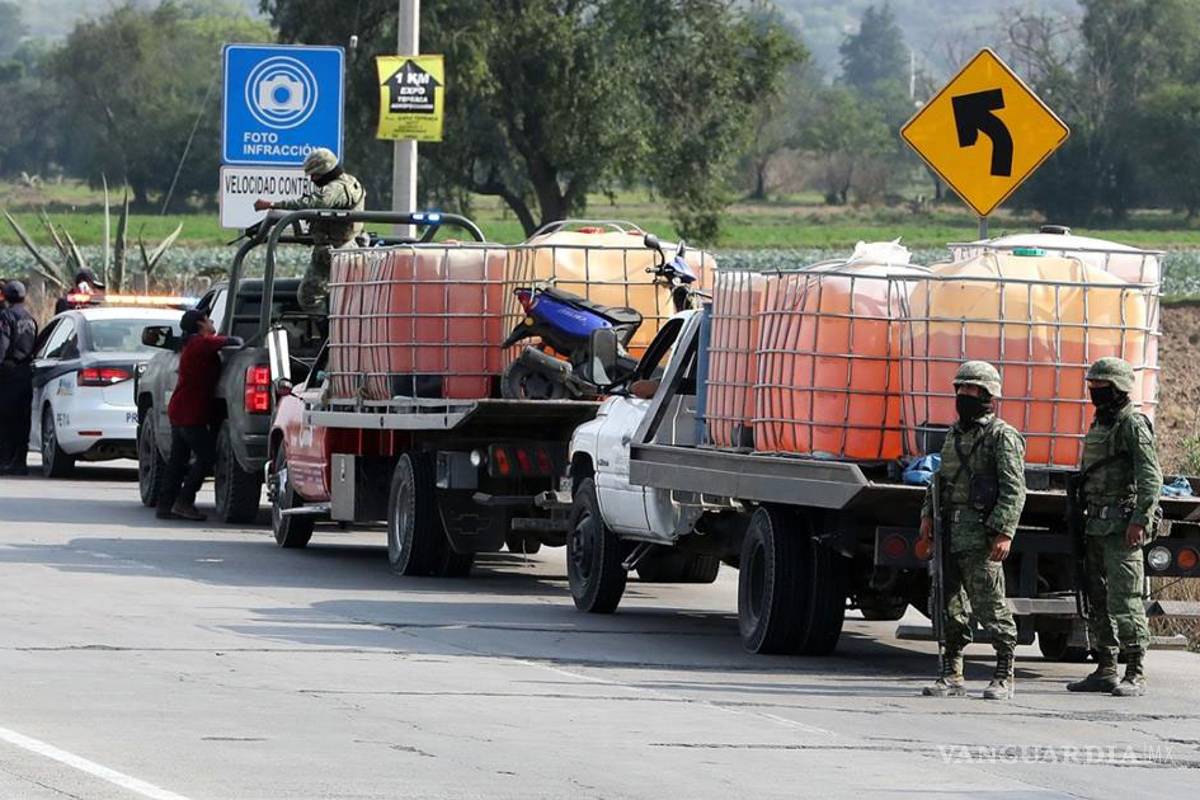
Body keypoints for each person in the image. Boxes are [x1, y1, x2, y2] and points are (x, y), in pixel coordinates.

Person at [918, 361, 1026, 701]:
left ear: (988, 394)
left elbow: (1014, 490)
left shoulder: (1002, 436)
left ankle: (1003, 674)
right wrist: (926, 518)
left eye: (971, 389)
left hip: (982, 535)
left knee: (990, 606)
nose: (964, 394)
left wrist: (1004, 532)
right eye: (960, 388)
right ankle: (952, 673)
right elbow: (939, 481)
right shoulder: (953, 435)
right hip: (949, 532)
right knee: (949, 607)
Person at [1067, 357, 1162, 697]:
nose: (1094, 391)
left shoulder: (1131, 425)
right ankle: (1105, 667)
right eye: (1092, 386)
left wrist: (1140, 521)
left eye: (1101, 386)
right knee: (1097, 599)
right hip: (1094, 525)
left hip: (1122, 529)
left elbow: (1151, 477)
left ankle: (1135, 671)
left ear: (1119, 388)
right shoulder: (1100, 423)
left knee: (1125, 598)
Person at [254, 148, 366, 314]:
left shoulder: (336, 189)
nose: (312, 179)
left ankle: (327, 328)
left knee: (309, 297)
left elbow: (315, 203)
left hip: (334, 251)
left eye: (316, 175)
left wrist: (274, 204)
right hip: (344, 248)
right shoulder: (350, 182)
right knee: (338, 296)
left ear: (326, 171)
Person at [157, 309, 240, 521]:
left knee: (178, 460)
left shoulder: (192, 344)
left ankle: (165, 505)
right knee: (207, 456)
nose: (212, 322)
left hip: (182, 410)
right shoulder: (199, 343)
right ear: (201, 324)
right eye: (208, 319)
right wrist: (235, 340)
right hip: (190, 413)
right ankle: (184, 501)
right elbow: (230, 341)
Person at [0, 281, 39, 475]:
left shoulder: (6, 317)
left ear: (5, 296)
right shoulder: (30, 318)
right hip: (25, 373)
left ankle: (5, 462)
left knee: (5, 418)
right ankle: (20, 462)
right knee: (23, 419)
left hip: (8, 374)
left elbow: (2, 345)